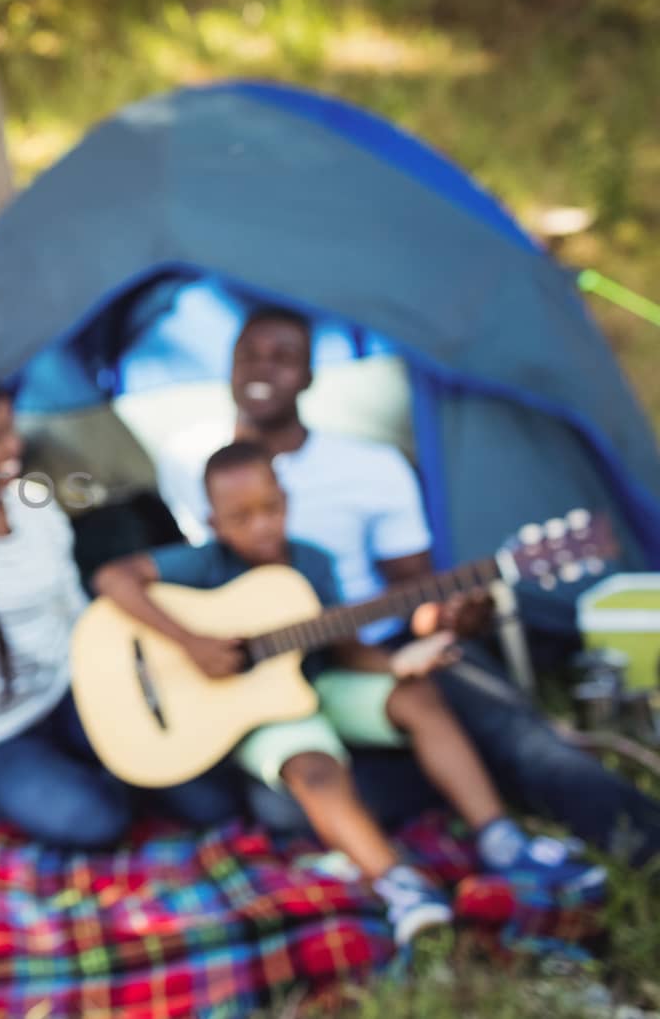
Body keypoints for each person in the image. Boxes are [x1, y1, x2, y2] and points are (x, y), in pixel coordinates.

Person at [153, 306, 660, 862]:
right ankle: (460, 777)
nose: (261, 369)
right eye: (248, 354)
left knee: (520, 737)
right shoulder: (186, 463)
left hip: (382, 644)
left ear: (309, 376)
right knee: (283, 803)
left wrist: (441, 622)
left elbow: (417, 589)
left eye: (283, 358)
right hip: (269, 673)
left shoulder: (369, 468)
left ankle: (639, 837)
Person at [94, 441, 606, 946]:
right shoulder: (203, 565)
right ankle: (399, 884)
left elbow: (340, 647)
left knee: (417, 696)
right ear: (214, 524)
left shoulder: (311, 563)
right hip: (266, 712)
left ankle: (500, 839)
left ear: (287, 500)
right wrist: (193, 643)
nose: (262, 525)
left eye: (271, 508)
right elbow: (112, 577)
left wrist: (396, 664)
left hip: (319, 684)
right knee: (312, 770)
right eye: (242, 517)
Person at [0, 374, 243, 898]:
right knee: (94, 821)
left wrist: (134, 693)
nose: (14, 447)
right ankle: (89, 779)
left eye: (10, 430)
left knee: (210, 802)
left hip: (71, 693)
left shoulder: (34, 505)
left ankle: (109, 769)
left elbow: (79, 616)